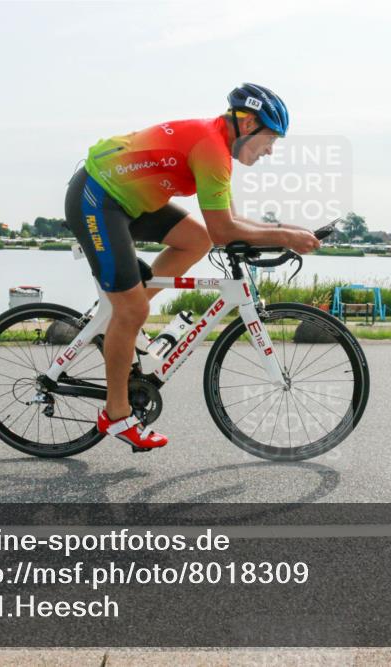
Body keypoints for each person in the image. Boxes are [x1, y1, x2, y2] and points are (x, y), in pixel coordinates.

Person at [65, 83, 320, 450]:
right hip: (98, 198)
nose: (270, 150)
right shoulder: (211, 149)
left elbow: (230, 221)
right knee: (133, 310)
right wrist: (285, 237)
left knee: (195, 240)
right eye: (271, 139)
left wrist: (288, 231)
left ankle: (120, 318)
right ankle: (116, 415)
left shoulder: (218, 147)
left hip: (129, 200)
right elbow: (224, 231)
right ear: (249, 125)